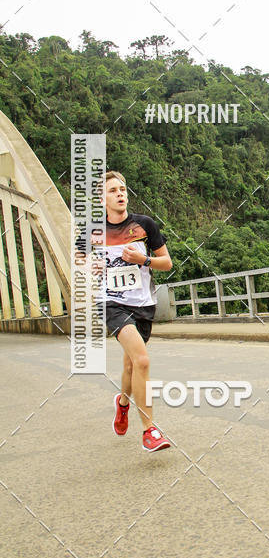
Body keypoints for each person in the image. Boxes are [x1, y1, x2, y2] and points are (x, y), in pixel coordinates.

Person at [96, 171, 173, 452]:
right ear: (102, 198)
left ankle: (123, 403)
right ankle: (149, 430)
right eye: (113, 190)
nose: (120, 193)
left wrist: (144, 259)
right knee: (141, 361)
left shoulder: (144, 225)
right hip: (112, 303)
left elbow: (166, 263)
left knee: (130, 364)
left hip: (143, 304)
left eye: (123, 188)